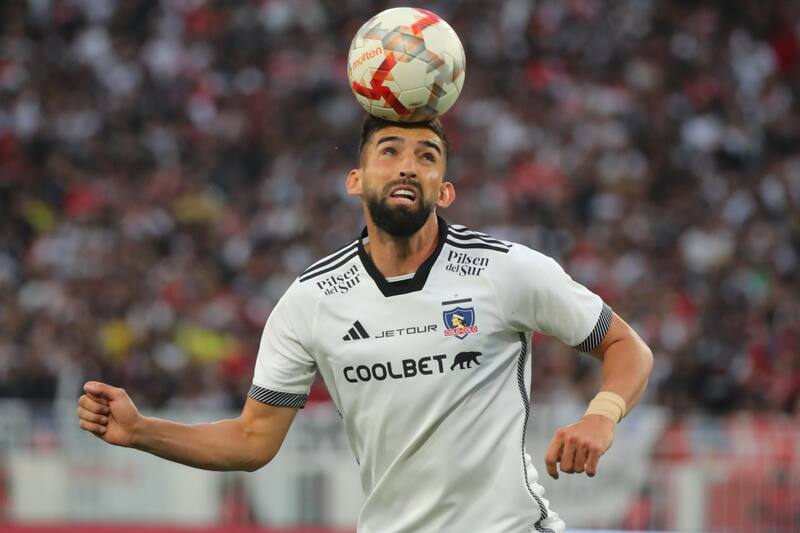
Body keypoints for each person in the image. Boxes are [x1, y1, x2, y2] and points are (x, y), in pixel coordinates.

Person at [77, 115, 654, 533]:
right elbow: (253, 440)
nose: (408, 165)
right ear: (356, 180)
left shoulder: (506, 270)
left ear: (444, 189)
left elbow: (628, 346)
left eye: (427, 156)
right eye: (390, 151)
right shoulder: (311, 300)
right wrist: (142, 431)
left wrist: (601, 417)